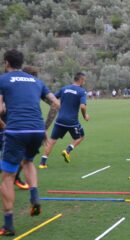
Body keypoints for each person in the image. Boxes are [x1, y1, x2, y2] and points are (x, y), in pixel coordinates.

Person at [0, 49, 59, 236]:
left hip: (16, 130)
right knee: (28, 161)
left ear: (6, 63)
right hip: (36, 129)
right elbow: (56, 104)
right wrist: (44, 127)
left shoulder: (3, 79)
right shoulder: (36, 81)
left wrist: (4, 126)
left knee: (7, 176)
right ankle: (34, 195)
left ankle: (8, 224)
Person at [39, 72, 89, 168]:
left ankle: (42, 163)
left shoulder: (64, 88)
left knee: (52, 140)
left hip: (59, 120)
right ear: (81, 80)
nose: (84, 82)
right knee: (81, 136)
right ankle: (67, 151)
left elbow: (53, 98)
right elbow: (82, 106)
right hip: (72, 122)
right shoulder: (82, 91)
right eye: (84, 80)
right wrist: (85, 116)